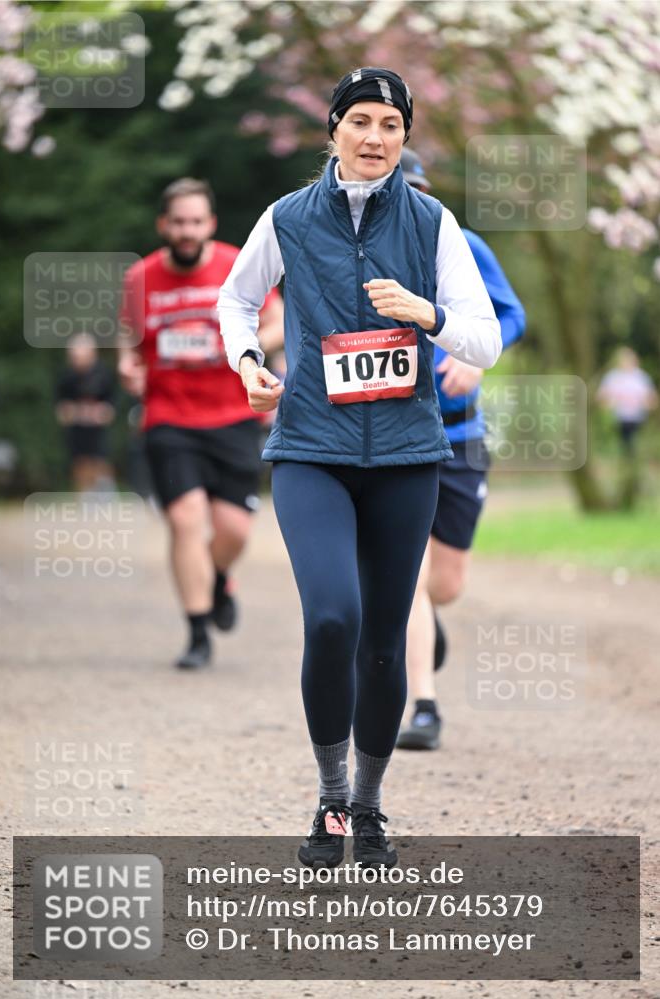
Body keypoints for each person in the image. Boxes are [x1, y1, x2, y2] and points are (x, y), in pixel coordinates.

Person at [219, 67, 502, 869]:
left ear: (404, 136)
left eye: (390, 125)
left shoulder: (433, 222)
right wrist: (247, 361)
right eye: (360, 121)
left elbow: (483, 338)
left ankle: (370, 804)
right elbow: (235, 300)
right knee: (331, 620)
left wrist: (428, 314)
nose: (374, 137)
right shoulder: (287, 217)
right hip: (311, 448)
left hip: (406, 458)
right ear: (333, 129)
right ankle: (330, 798)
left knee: (382, 642)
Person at [118, 178, 283, 670]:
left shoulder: (236, 264)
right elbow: (129, 339)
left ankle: (217, 578)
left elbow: (277, 321)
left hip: (234, 416)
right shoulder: (141, 277)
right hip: (169, 417)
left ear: (210, 224)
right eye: (178, 222)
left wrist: (243, 347)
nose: (187, 231)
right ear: (163, 225)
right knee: (185, 519)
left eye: (195, 222)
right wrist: (127, 365)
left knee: (234, 531)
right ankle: (196, 633)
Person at [396, 149, 526, 751]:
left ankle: (425, 623)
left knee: (444, 585)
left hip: (462, 436)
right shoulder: (367, 255)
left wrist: (477, 361)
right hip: (400, 437)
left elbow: (511, 314)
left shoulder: (464, 246)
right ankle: (424, 706)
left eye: (418, 192)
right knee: (410, 577)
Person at [55, 332, 116, 492]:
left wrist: (100, 413)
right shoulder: (66, 377)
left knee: (101, 459)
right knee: (80, 462)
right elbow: (62, 410)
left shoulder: (104, 375)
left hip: (98, 431)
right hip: (76, 430)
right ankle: (85, 494)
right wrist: (77, 412)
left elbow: (111, 408)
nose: (76, 361)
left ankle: (104, 490)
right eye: (73, 357)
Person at [597, 347, 657, 454]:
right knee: (623, 442)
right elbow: (601, 397)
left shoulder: (642, 377)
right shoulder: (611, 377)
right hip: (617, 419)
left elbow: (652, 399)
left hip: (638, 418)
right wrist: (608, 404)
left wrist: (647, 404)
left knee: (633, 442)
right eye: (624, 359)